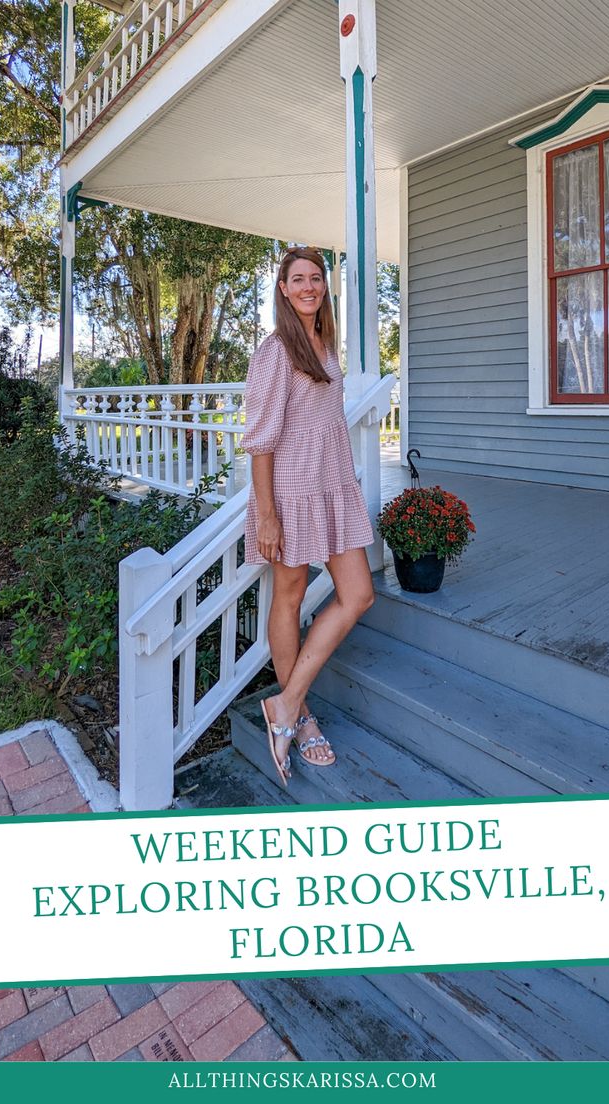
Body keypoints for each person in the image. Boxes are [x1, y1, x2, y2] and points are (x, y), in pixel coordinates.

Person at [241, 246, 375, 788]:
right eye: (297, 279)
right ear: (282, 288)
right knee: (290, 594)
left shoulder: (325, 344)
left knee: (357, 594)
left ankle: (288, 703)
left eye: (315, 278)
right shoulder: (275, 352)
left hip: (332, 485)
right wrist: (267, 514)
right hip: (291, 492)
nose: (308, 287)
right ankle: (302, 713)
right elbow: (261, 440)